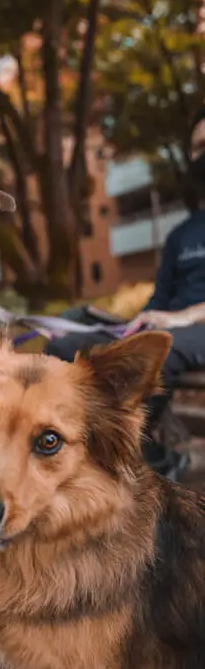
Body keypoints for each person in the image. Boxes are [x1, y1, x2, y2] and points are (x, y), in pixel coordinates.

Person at [46, 105, 205, 479]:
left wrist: (184, 317)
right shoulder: (182, 234)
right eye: (198, 147)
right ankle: (146, 457)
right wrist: (125, 327)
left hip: (188, 333)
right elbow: (157, 303)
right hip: (169, 328)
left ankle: (118, 463)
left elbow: (169, 323)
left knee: (156, 352)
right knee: (63, 346)